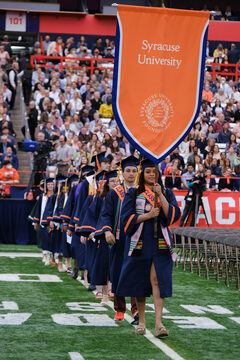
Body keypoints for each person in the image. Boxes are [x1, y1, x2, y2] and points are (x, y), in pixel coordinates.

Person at [116, 158, 180, 337]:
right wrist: (147, 215)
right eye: (148, 172)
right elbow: (126, 219)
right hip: (140, 242)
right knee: (140, 281)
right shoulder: (134, 193)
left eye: (154, 171)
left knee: (157, 280)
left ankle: (159, 323)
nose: (152, 174)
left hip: (160, 242)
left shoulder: (165, 191)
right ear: (142, 174)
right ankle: (142, 321)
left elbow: (172, 215)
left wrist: (160, 196)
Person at [94, 155, 140, 322]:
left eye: (134, 171)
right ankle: (120, 308)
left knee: (135, 275)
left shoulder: (141, 193)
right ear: (122, 172)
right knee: (118, 273)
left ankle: (136, 310)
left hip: (136, 239)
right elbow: (106, 214)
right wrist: (107, 231)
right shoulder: (115, 193)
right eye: (127, 170)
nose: (130, 174)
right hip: (118, 239)